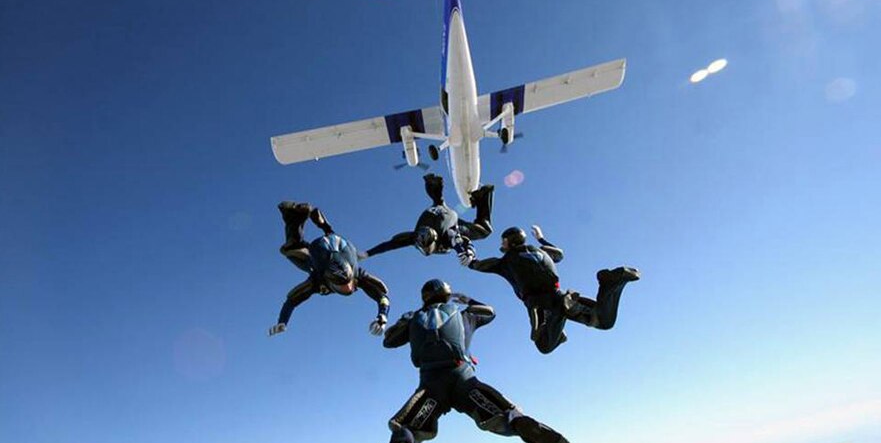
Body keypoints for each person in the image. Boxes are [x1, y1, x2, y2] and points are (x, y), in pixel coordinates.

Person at [359, 279, 576, 443]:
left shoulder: (414, 320)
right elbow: (490, 312)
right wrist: (466, 301)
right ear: (447, 294)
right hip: (463, 376)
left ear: (425, 298)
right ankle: (521, 423)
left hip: (431, 382)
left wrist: (404, 319)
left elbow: (389, 340)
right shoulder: (463, 314)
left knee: (408, 429)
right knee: (504, 415)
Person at [461, 225, 639, 354]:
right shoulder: (542, 252)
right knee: (604, 321)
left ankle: (558, 320)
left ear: (507, 242)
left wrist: (466, 248)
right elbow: (559, 253)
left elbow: (474, 264)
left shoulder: (505, 261)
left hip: (540, 305)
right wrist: (541, 239)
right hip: (558, 295)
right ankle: (611, 283)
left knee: (544, 346)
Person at [269, 202, 390, 337]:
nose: (349, 288)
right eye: (342, 285)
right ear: (330, 283)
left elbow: (382, 296)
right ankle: (296, 217)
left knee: (295, 249)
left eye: (348, 283)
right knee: (290, 249)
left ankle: (324, 227)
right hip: (321, 254)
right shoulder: (317, 280)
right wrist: (282, 321)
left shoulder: (357, 274)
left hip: (341, 249)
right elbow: (292, 300)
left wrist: (382, 317)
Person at [361, 174, 493, 262]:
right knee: (439, 203)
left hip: (448, 219)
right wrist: (367, 253)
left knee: (484, 231)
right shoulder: (414, 237)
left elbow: (461, 241)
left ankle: (484, 194)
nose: (425, 251)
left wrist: (468, 253)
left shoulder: (447, 237)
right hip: (434, 215)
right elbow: (390, 244)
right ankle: (434, 187)